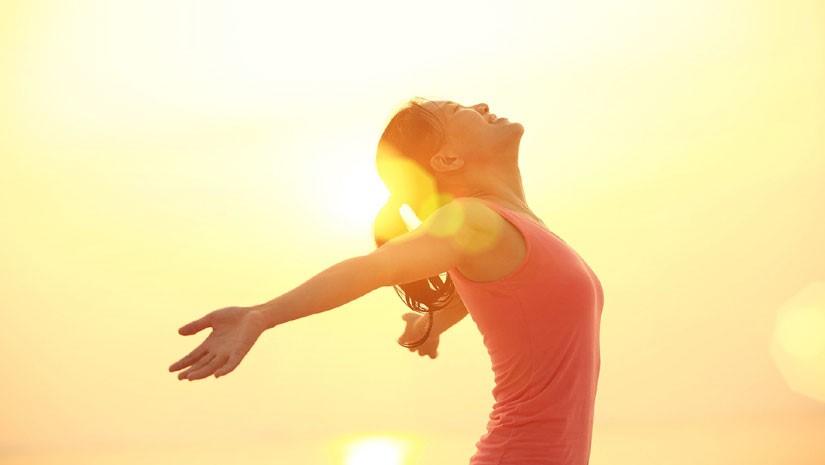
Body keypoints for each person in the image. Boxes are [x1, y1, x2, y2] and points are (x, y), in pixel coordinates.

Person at [168, 97, 605, 465]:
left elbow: (514, 297)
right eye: (460, 109)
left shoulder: (512, 228)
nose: (482, 105)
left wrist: (430, 324)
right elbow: (375, 268)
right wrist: (261, 315)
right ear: (447, 159)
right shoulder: (471, 219)